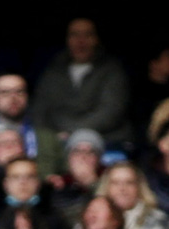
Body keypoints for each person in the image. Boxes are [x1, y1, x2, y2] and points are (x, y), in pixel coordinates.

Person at [34, 17, 133, 151]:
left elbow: (110, 112)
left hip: (106, 141)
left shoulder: (113, 70)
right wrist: (50, 136)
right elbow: (40, 111)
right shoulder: (52, 72)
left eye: (88, 35)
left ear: (97, 39)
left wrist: (72, 133)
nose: (81, 41)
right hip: (57, 141)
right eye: (74, 35)